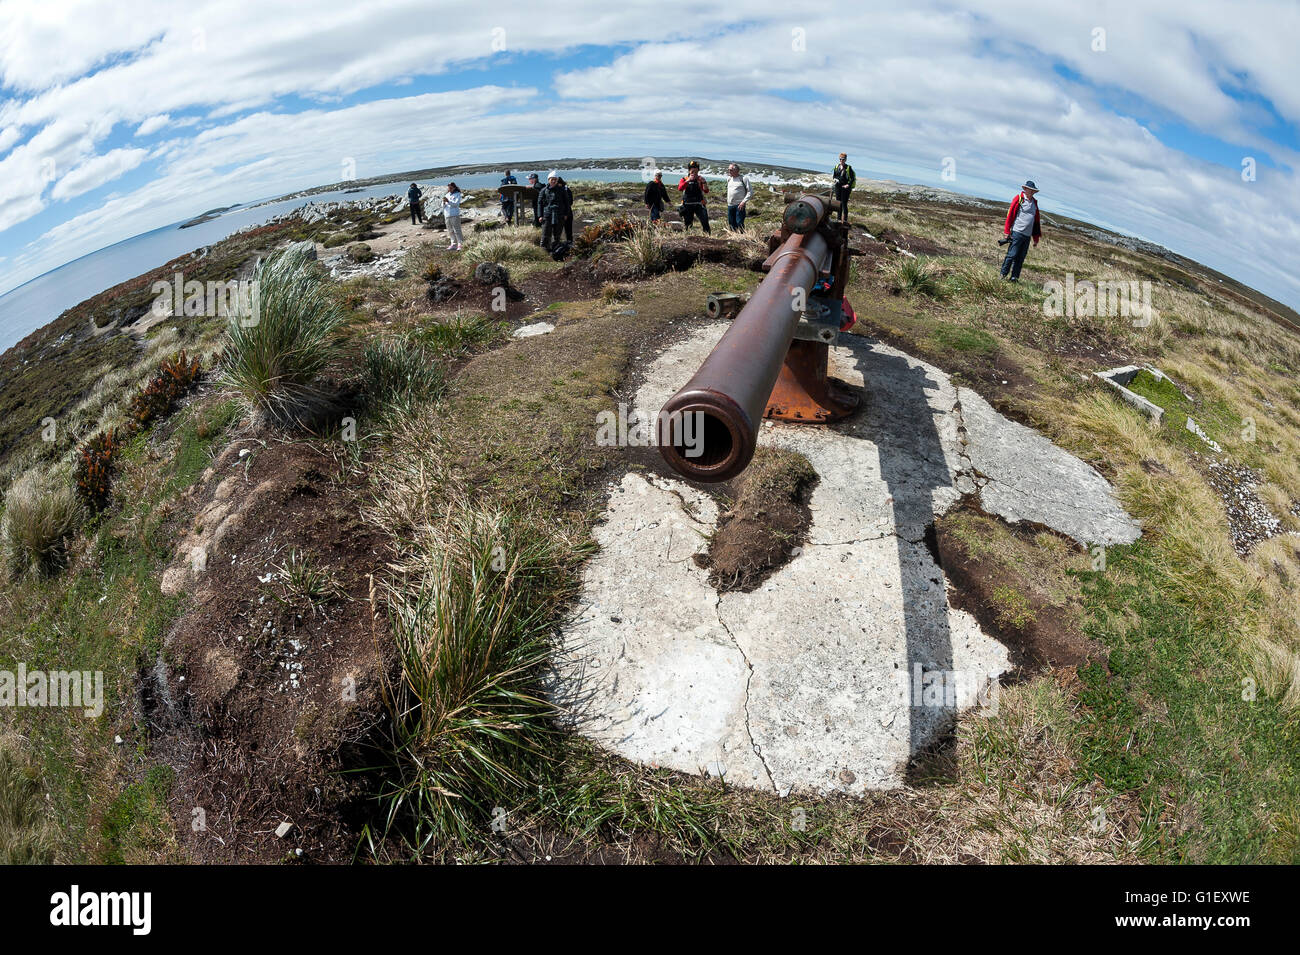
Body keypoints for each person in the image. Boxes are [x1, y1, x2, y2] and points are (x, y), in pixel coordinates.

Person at [999, 180, 1042, 281]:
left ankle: (1014, 278)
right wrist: (1007, 231)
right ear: (1025, 189)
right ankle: (1002, 275)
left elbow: (1036, 222)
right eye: (1029, 190)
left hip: (1027, 236)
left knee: (1020, 258)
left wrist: (1035, 238)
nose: (1031, 192)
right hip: (1017, 233)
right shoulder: (1019, 199)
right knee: (1011, 255)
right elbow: (1010, 216)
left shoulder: (1035, 203)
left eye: (1033, 191)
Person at [537, 171, 571, 251]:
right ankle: (543, 251)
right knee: (545, 234)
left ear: (557, 180)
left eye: (555, 180)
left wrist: (566, 214)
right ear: (548, 180)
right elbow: (540, 203)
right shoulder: (543, 190)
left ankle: (556, 251)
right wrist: (540, 215)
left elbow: (567, 203)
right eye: (552, 179)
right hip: (547, 215)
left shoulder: (562, 190)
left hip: (559, 215)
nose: (553, 181)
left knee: (557, 234)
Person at [677, 160, 711, 233]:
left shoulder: (700, 179)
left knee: (705, 222)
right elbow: (680, 188)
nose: (694, 173)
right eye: (692, 171)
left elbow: (706, 191)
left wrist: (704, 182)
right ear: (689, 171)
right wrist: (688, 181)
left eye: (696, 171)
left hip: (699, 204)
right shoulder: (684, 179)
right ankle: (688, 238)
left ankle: (708, 237)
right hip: (687, 205)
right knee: (688, 224)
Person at [724, 163, 754, 231]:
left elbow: (750, 192)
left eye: (731, 170)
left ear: (736, 170)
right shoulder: (729, 179)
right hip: (730, 205)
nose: (729, 171)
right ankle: (733, 238)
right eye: (728, 170)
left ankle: (742, 237)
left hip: (739, 205)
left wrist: (743, 202)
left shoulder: (743, 179)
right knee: (731, 223)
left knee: (739, 223)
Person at [832, 152, 855, 222]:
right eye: (840, 159)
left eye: (843, 159)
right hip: (838, 187)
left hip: (845, 189)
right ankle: (838, 219)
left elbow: (852, 178)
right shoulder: (836, 167)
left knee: (844, 204)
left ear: (845, 160)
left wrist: (847, 185)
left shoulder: (848, 168)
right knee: (838, 203)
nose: (841, 161)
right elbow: (834, 176)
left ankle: (845, 220)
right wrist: (835, 179)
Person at [442, 182, 464, 251]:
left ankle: (460, 244)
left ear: (454, 187)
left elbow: (456, 204)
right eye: (449, 188)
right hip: (447, 214)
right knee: (450, 230)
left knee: (457, 230)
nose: (450, 189)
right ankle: (453, 244)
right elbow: (442, 206)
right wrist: (443, 202)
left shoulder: (457, 194)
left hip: (454, 214)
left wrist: (448, 201)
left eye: (451, 188)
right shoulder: (447, 195)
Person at [557, 175, 575, 243]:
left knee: (567, 230)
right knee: (566, 231)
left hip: (566, 213)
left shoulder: (566, 190)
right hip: (567, 212)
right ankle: (568, 243)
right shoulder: (566, 189)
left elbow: (570, 202)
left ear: (559, 183)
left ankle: (569, 244)